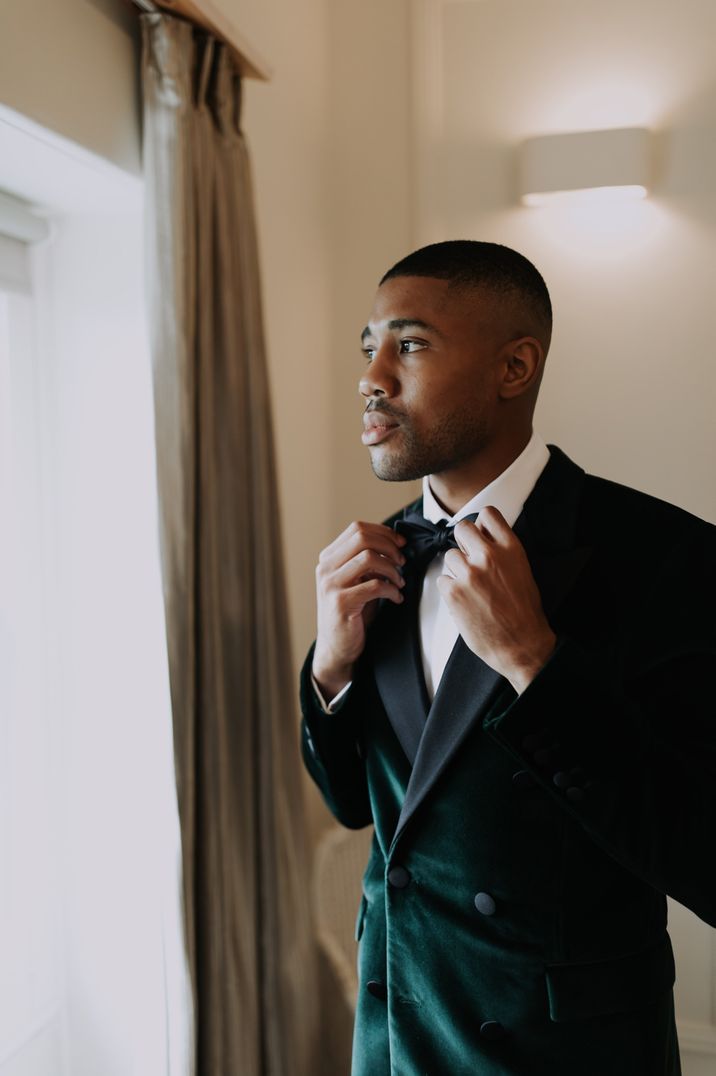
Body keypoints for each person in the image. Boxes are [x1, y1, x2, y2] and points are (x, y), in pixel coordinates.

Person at [299, 240, 716, 1076]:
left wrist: (538, 663)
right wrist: (331, 673)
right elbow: (358, 809)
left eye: (409, 344)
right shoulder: (375, 561)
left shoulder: (669, 558)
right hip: (395, 1045)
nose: (371, 376)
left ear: (514, 366)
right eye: (368, 346)